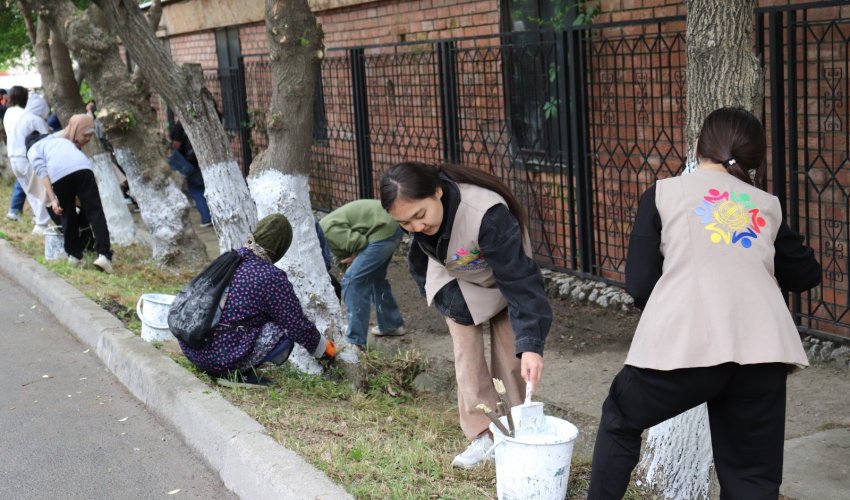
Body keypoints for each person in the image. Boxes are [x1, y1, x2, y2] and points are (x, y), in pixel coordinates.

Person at [587, 107, 822, 499]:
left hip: (685, 345)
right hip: (761, 353)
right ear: (755, 161)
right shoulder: (766, 206)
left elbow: (640, 283)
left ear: (698, 147)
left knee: (621, 417)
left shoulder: (662, 194)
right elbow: (807, 276)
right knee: (752, 478)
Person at [379, 161, 552, 468]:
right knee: (468, 359)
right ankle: (485, 433)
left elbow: (520, 282)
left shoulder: (487, 215)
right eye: (406, 223)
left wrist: (531, 346)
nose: (416, 227)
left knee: (514, 356)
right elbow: (419, 257)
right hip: (456, 281)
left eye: (420, 215)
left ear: (437, 191)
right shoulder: (417, 220)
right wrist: (442, 297)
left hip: (505, 280)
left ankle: (513, 435)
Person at [177, 213, 337, 385]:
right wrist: (324, 350)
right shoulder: (270, 276)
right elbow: (296, 324)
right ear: (281, 248)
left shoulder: (230, 257)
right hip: (219, 360)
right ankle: (236, 373)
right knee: (283, 326)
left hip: (193, 349)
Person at [26, 114, 114, 274]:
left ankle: (74, 255)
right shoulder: (59, 141)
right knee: (95, 212)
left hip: (59, 174)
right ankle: (104, 255)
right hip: (84, 169)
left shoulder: (33, 149)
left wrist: (53, 199)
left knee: (67, 213)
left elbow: (42, 173)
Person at [319, 199, 405, 349]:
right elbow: (343, 261)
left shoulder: (326, 230)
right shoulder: (326, 238)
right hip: (390, 227)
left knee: (352, 281)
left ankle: (355, 341)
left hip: (382, 229)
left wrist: (355, 260)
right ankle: (391, 324)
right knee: (373, 278)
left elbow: (359, 243)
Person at [3, 87, 51, 231]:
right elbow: (47, 139)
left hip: (14, 157)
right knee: (42, 190)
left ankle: (40, 221)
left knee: (31, 191)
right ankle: (42, 224)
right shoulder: (30, 118)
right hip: (28, 157)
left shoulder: (8, 113)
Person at [168, 120, 211, 227]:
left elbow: (176, 144)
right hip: (206, 158)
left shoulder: (181, 123)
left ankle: (206, 218)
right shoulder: (205, 119)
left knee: (197, 189)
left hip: (190, 161)